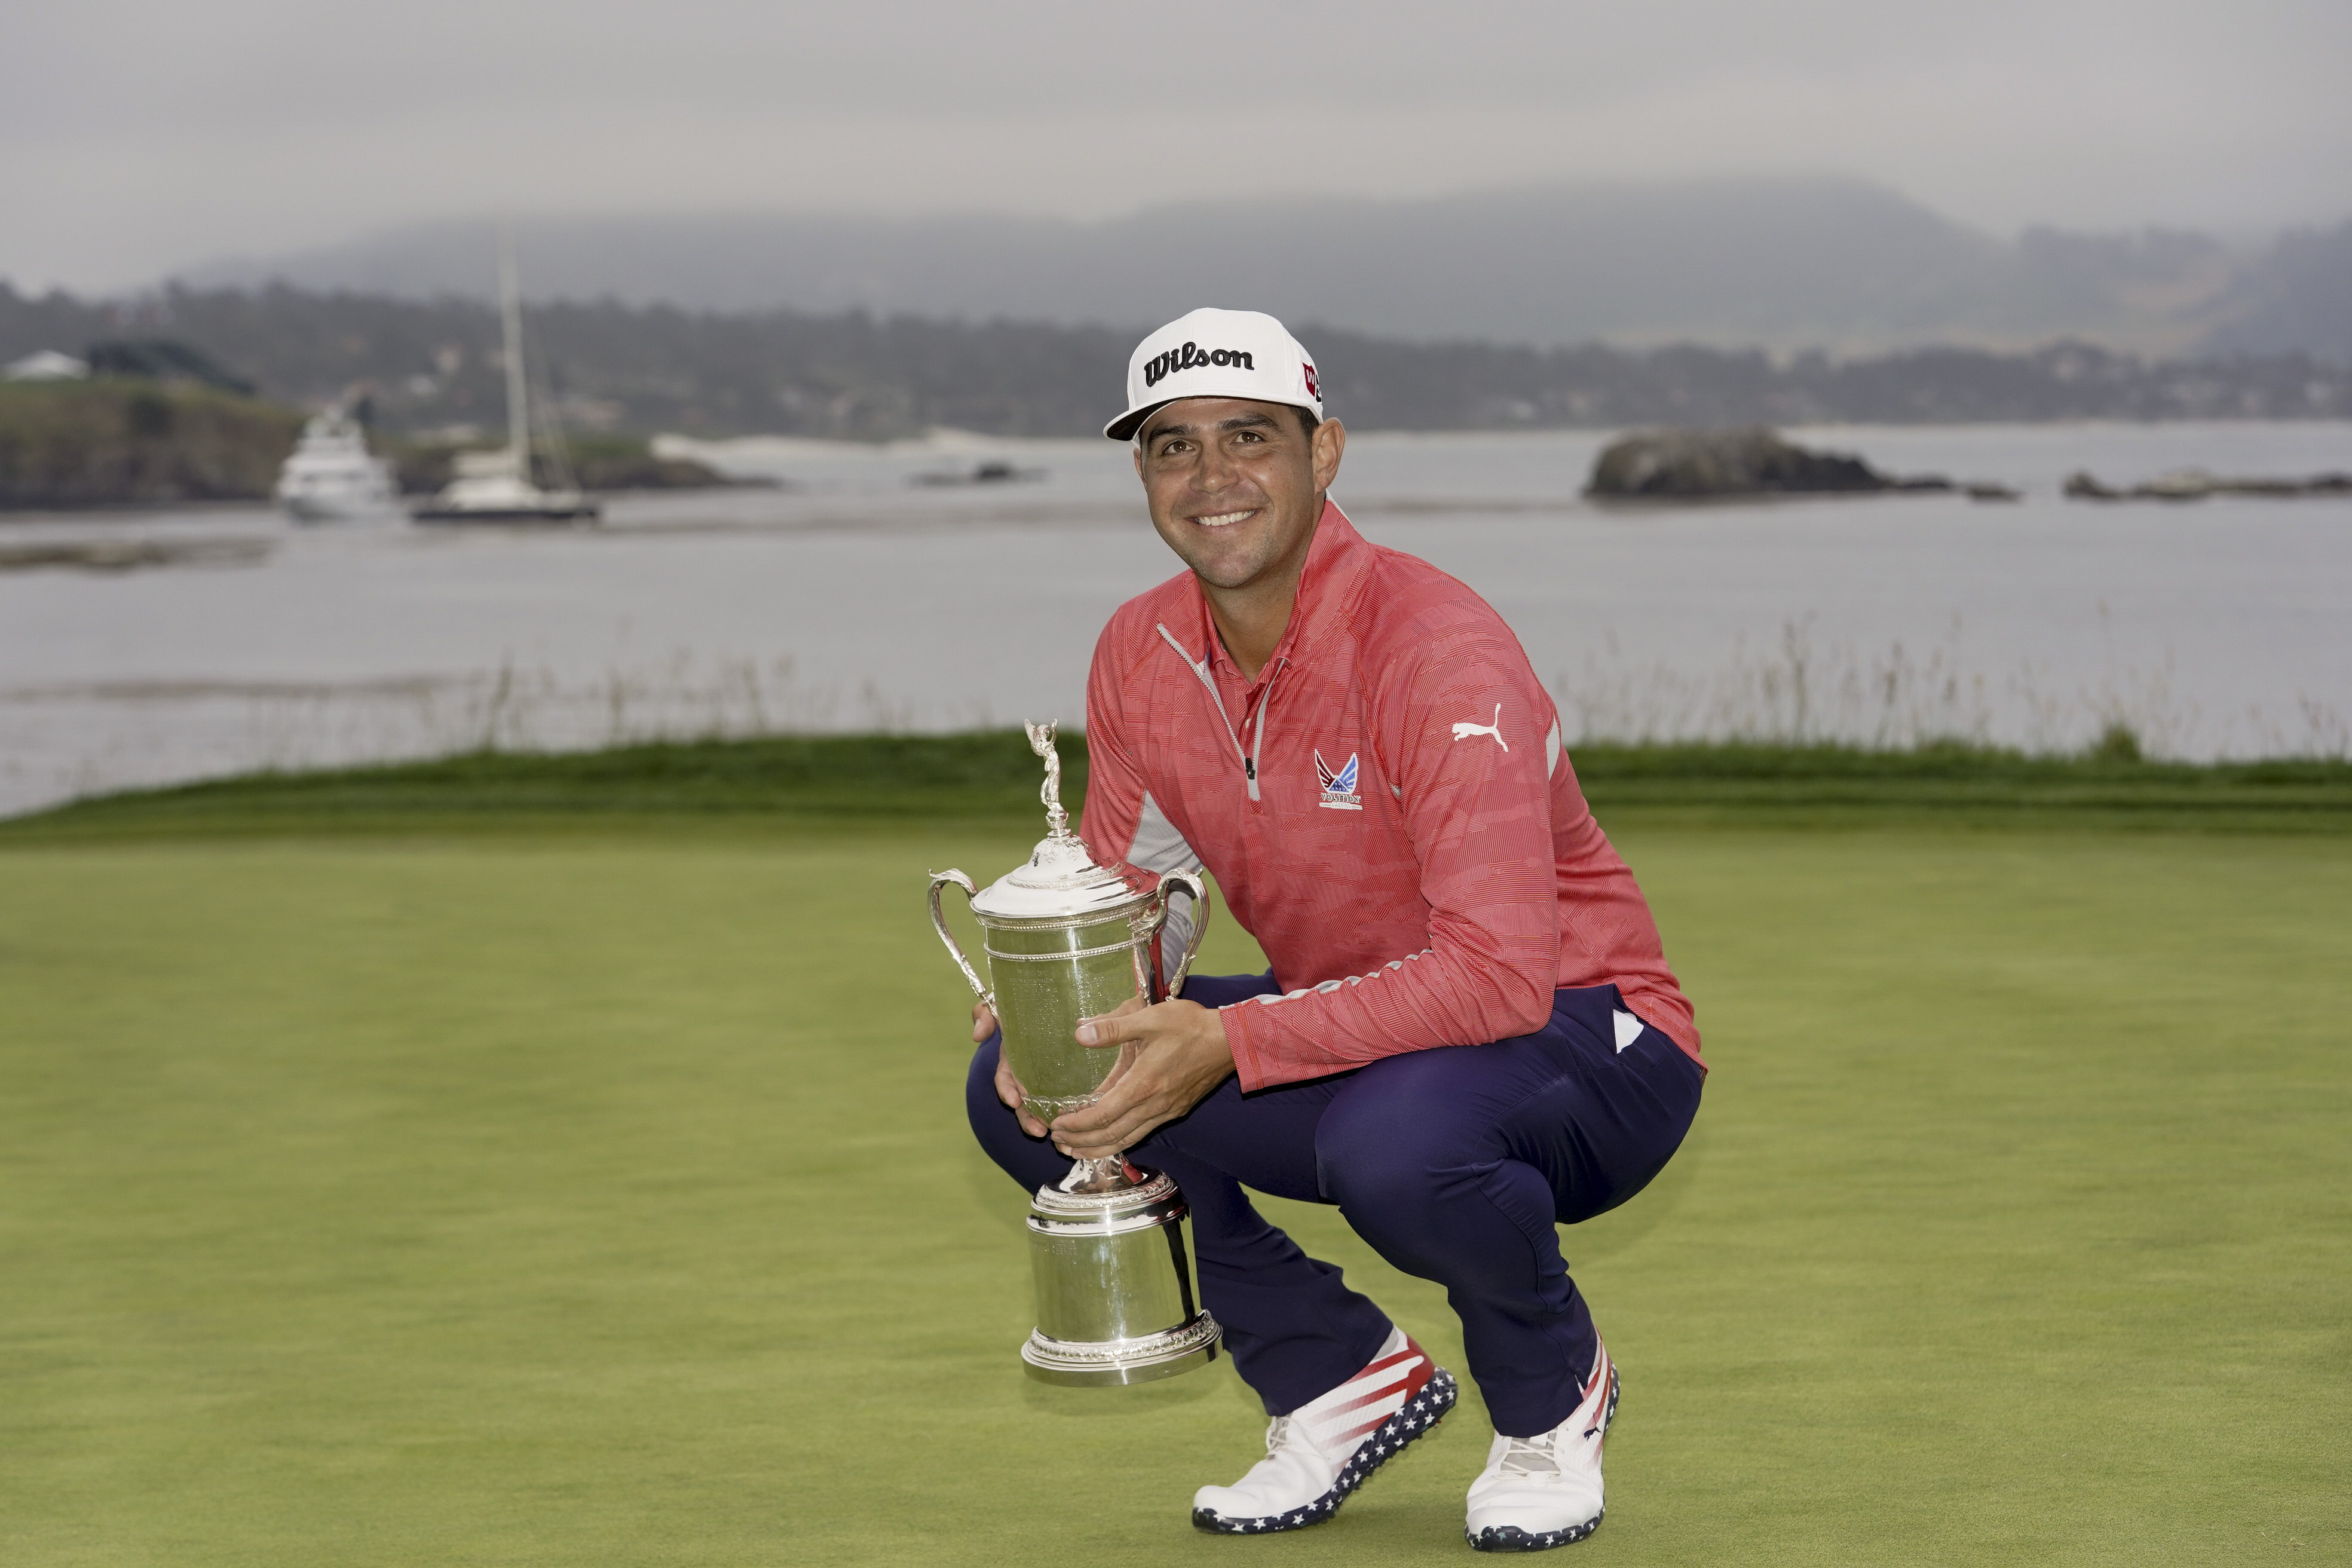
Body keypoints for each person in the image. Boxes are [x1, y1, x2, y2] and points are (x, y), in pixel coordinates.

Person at [963, 307, 1705, 1554]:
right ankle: (1337, 1379)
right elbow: (1130, 891)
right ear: (1142, 472)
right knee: (1040, 1084)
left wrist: (1231, 1042)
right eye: (1171, 446)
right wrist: (1052, 1008)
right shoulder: (1141, 648)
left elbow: (1497, 979)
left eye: (1250, 437)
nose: (1211, 478)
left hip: (1596, 1041)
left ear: (1326, 453)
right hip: (1367, 1031)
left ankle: (1550, 1397)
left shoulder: (1436, 648)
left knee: (1394, 1140)